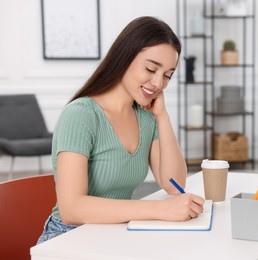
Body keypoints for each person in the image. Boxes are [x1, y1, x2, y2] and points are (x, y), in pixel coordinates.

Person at [37, 16, 205, 244]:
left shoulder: (147, 117)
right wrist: (158, 209)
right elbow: (72, 208)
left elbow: (174, 184)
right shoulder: (81, 115)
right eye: (151, 68)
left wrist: (162, 117)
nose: (158, 83)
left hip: (114, 235)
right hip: (69, 236)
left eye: (167, 75)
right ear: (124, 57)